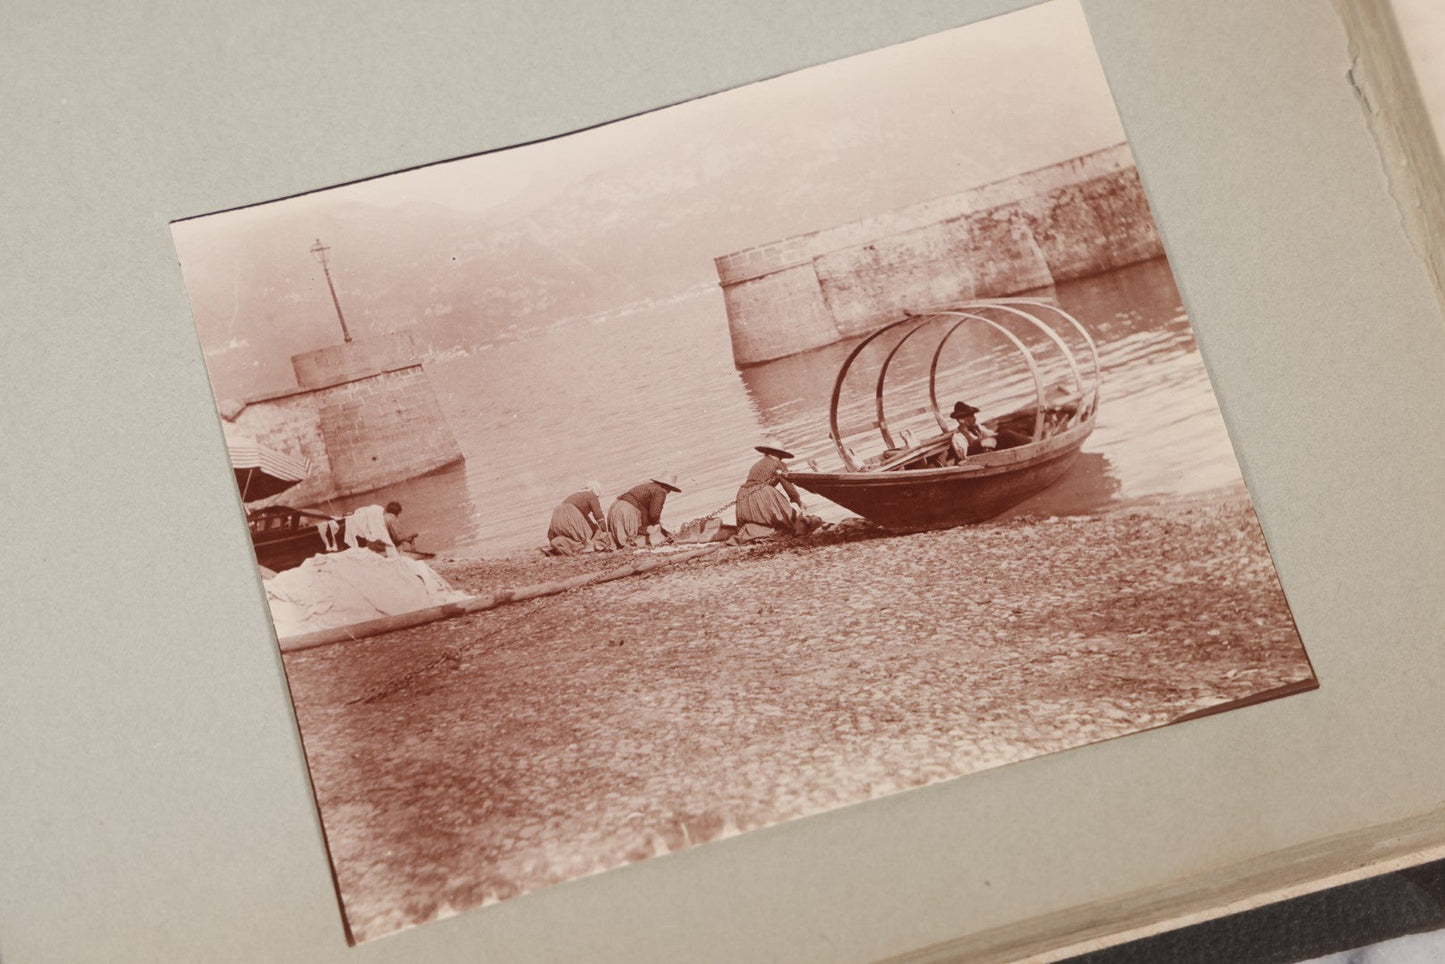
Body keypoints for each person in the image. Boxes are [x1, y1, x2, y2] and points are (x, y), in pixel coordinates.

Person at [734, 440, 812, 539]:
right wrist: (798, 501)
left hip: (743, 495)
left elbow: (751, 484)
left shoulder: (757, 464)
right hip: (761, 492)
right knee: (788, 518)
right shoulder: (779, 464)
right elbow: (788, 486)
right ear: (780, 454)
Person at [606, 473, 680, 548]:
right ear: (667, 486)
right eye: (670, 488)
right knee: (630, 542)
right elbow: (654, 514)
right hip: (627, 510)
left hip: (616, 507)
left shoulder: (650, 486)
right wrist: (656, 524)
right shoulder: (660, 491)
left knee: (620, 540)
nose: (669, 491)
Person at [545, 482, 609, 556]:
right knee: (585, 536)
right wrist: (605, 531)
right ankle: (584, 547)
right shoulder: (591, 495)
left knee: (567, 536)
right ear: (595, 491)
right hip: (571, 512)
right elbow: (599, 516)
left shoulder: (576, 496)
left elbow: (584, 518)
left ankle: (556, 547)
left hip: (557, 514)